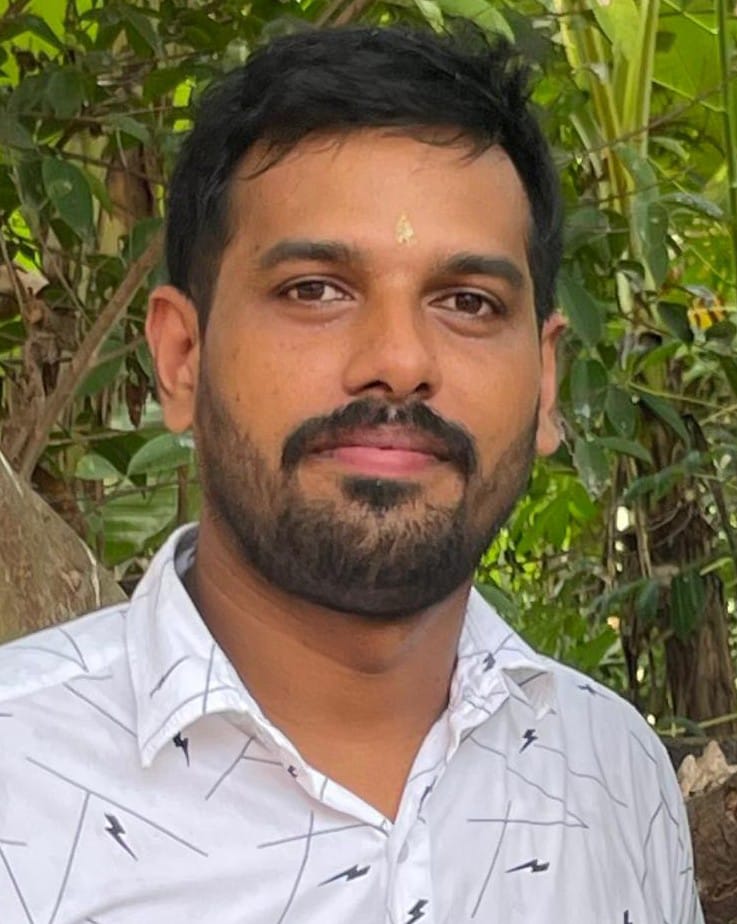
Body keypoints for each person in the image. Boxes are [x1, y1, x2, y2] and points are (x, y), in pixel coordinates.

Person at [0, 24, 703, 924]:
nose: (399, 362)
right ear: (181, 358)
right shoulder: (21, 781)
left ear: (544, 382)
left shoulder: (613, 774)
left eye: (467, 302)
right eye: (315, 289)